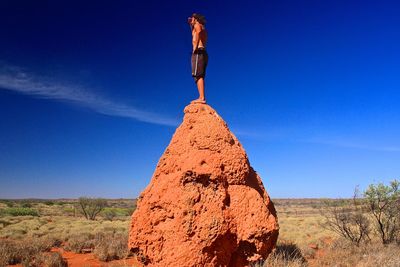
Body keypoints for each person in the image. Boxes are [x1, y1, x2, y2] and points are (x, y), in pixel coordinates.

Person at [188, 13, 208, 104]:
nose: (190, 20)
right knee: (199, 75)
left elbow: (198, 32)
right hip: (203, 53)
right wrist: (191, 26)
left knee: (198, 75)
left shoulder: (197, 25)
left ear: (195, 19)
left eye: (192, 18)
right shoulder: (201, 27)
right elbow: (197, 33)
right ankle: (201, 96)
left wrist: (195, 48)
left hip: (198, 52)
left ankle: (201, 97)